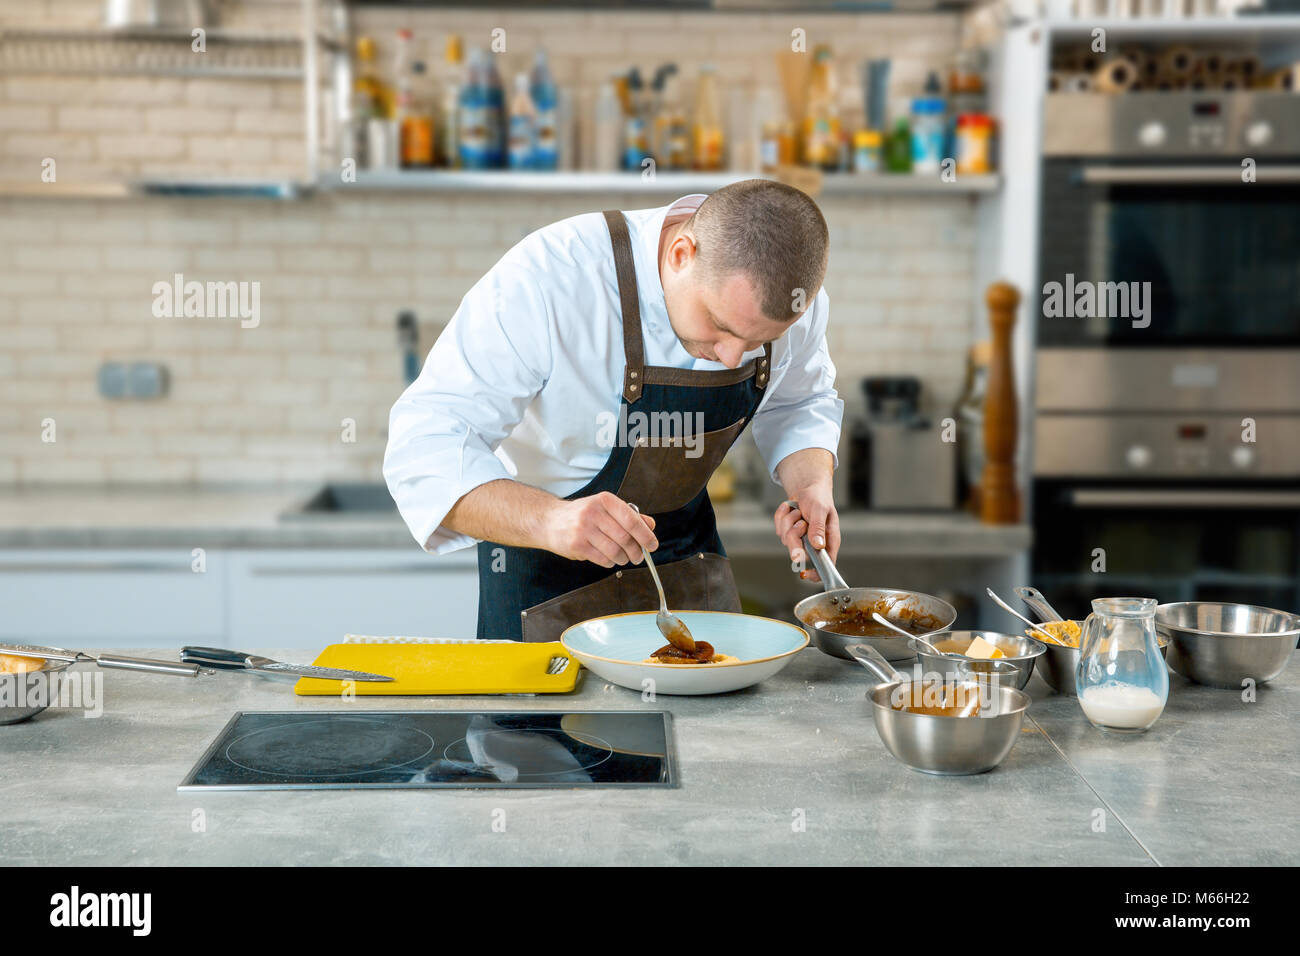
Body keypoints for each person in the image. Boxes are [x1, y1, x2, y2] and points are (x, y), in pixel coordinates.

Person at [384, 179, 843, 641]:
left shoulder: (788, 297)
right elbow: (425, 445)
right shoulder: (551, 277)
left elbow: (799, 400)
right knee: (536, 718)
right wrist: (552, 520)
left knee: (711, 716)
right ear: (681, 253)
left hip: (690, 581)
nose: (731, 357)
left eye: (759, 343)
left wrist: (809, 486)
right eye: (719, 326)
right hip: (544, 591)